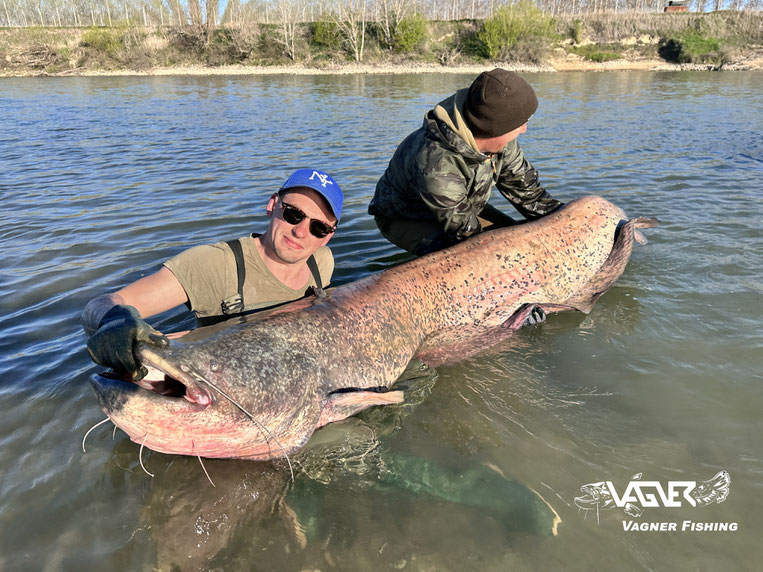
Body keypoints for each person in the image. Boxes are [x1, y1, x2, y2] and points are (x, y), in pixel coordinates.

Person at [82, 168, 344, 381]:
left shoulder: (321, 264)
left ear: (328, 237)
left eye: (318, 228)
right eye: (294, 214)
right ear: (273, 204)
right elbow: (101, 305)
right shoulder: (215, 265)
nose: (301, 231)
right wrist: (117, 324)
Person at [368, 68, 564, 257]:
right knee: (482, 257)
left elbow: (530, 196)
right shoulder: (436, 163)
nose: (524, 130)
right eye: (520, 124)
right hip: (407, 218)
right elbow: (466, 233)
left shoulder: (504, 142)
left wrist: (568, 220)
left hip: (463, 203)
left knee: (522, 243)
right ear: (495, 130)